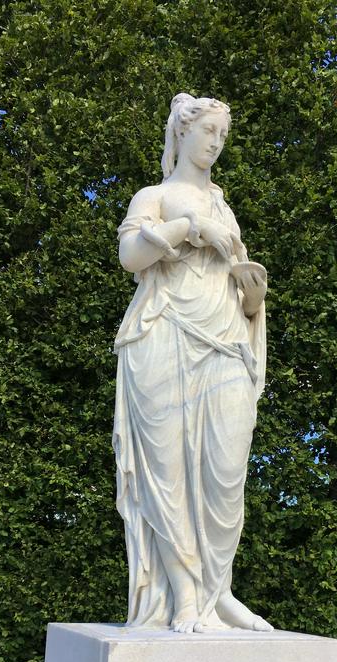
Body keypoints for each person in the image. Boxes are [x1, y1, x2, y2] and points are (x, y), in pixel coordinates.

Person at [113, 93, 272, 633]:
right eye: (208, 131)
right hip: (161, 335)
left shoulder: (225, 205)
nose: (215, 142)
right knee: (168, 472)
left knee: (225, 475)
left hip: (226, 338)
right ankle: (185, 595)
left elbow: (241, 284)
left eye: (222, 136)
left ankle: (218, 590)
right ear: (181, 133)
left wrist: (253, 297)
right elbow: (131, 256)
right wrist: (187, 229)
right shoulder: (154, 195)